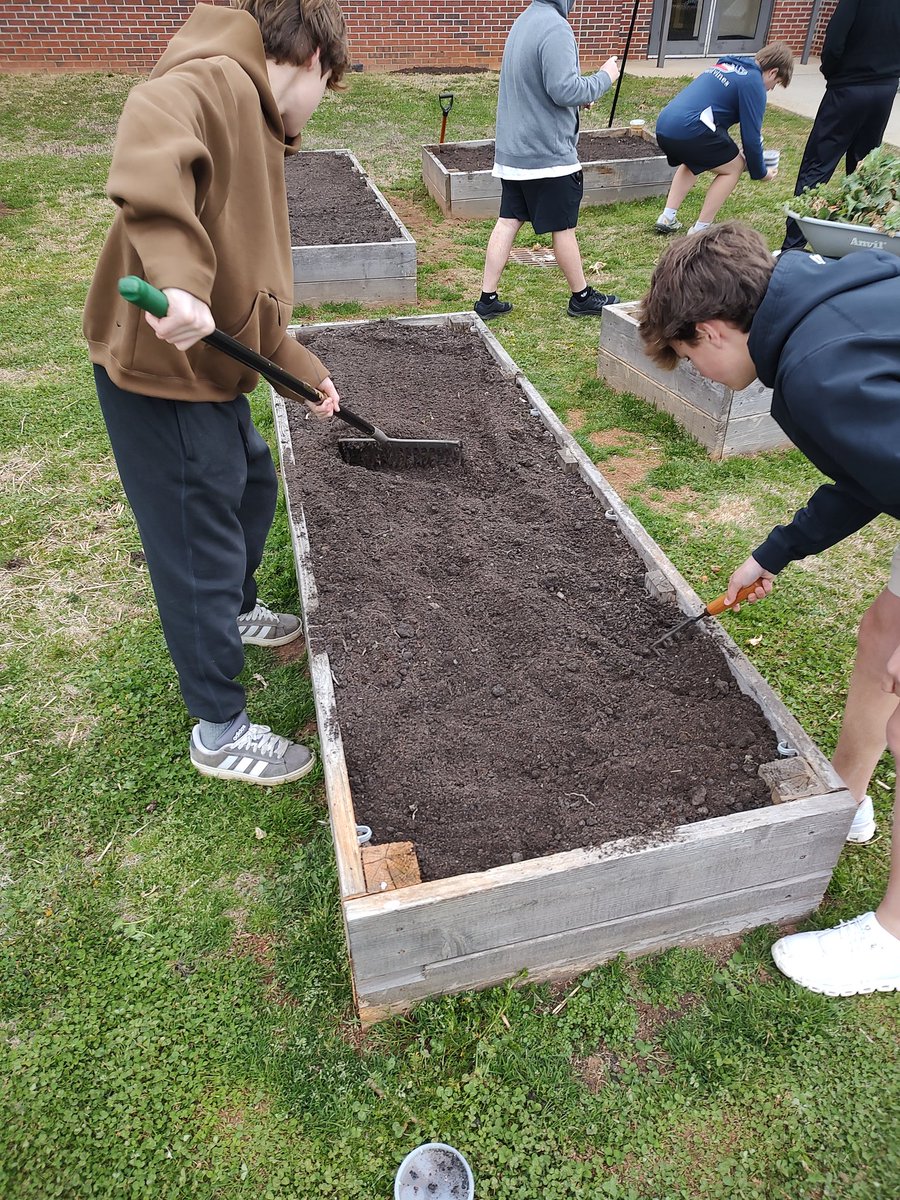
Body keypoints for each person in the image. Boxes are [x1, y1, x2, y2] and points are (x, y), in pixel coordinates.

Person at [82, 0, 350, 786]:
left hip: (209, 372)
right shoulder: (214, 78)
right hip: (160, 375)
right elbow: (153, 129)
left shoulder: (258, 120)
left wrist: (298, 369)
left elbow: (247, 285)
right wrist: (175, 276)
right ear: (308, 59)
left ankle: (235, 611)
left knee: (248, 478)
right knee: (197, 536)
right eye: (327, 85)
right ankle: (219, 729)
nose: (318, 107)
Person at [638, 222, 900, 997]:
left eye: (692, 357)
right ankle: (842, 800)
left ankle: (893, 937)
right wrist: (778, 550)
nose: (704, 375)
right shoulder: (839, 292)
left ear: (714, 327)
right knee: (882, 631)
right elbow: (873, 465)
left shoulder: (815, 374)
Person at [472, 0, 621, 323]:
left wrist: (582, 95)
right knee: (563, 227)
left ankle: (487, 298)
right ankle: (581, 297)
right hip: (547, 157)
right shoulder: (556, 27)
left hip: (514, 153)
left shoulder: (523, 22)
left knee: (508, 220)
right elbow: (563, 89)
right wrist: (605, 77)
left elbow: (541, 87)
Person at [782, 0, 900, 252]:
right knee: (863, 170)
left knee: (817, 166)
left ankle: (792, 248)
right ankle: (857, 248)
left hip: (847, 88)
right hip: (884, 90)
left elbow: (834, 39)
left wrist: (832, 73)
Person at [653, 42, 793, 236]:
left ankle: (667, 217)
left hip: (665, 125)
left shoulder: (730, 66)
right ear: (772, 71)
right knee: (734, 168)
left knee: (694, 159)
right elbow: (751, 138)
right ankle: (701, 228)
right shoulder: (753, 82)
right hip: (692, 129)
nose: (771, 89)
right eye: (776, 83)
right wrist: (761, 172)